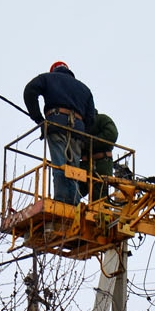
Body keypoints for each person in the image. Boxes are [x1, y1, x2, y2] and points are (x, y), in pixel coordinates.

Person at [22, 61, 97, 205]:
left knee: (59, 164)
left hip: (56, 124)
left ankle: (62, 200)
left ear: (53, 71)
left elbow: (30, 91)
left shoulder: (48, 78)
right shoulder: (84, 89)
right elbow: (91, 117)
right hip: (78, 130)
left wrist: (38, 118)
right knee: (73, 168)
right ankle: (74, 201)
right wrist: (82, 131)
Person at [87, 112, 119, 202]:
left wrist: (89, 142)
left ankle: (102, 213)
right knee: (76, 188)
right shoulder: (81, 123)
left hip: (103, 162)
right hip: (86, 163)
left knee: (100, 196)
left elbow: (111, 134)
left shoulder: (101, 119)